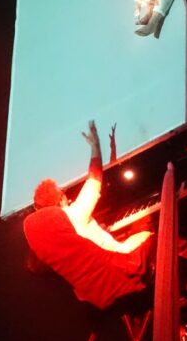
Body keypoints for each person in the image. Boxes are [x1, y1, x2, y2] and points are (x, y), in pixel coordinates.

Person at [23, 121, 154, 310]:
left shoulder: (55, 238)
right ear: (61, 200)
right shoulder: (72, 213)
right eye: (63, 193)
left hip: (97, 297)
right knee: (149, 228)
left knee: (135, 231)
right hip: (119, 274)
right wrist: (95, 145)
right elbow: (95, 178)